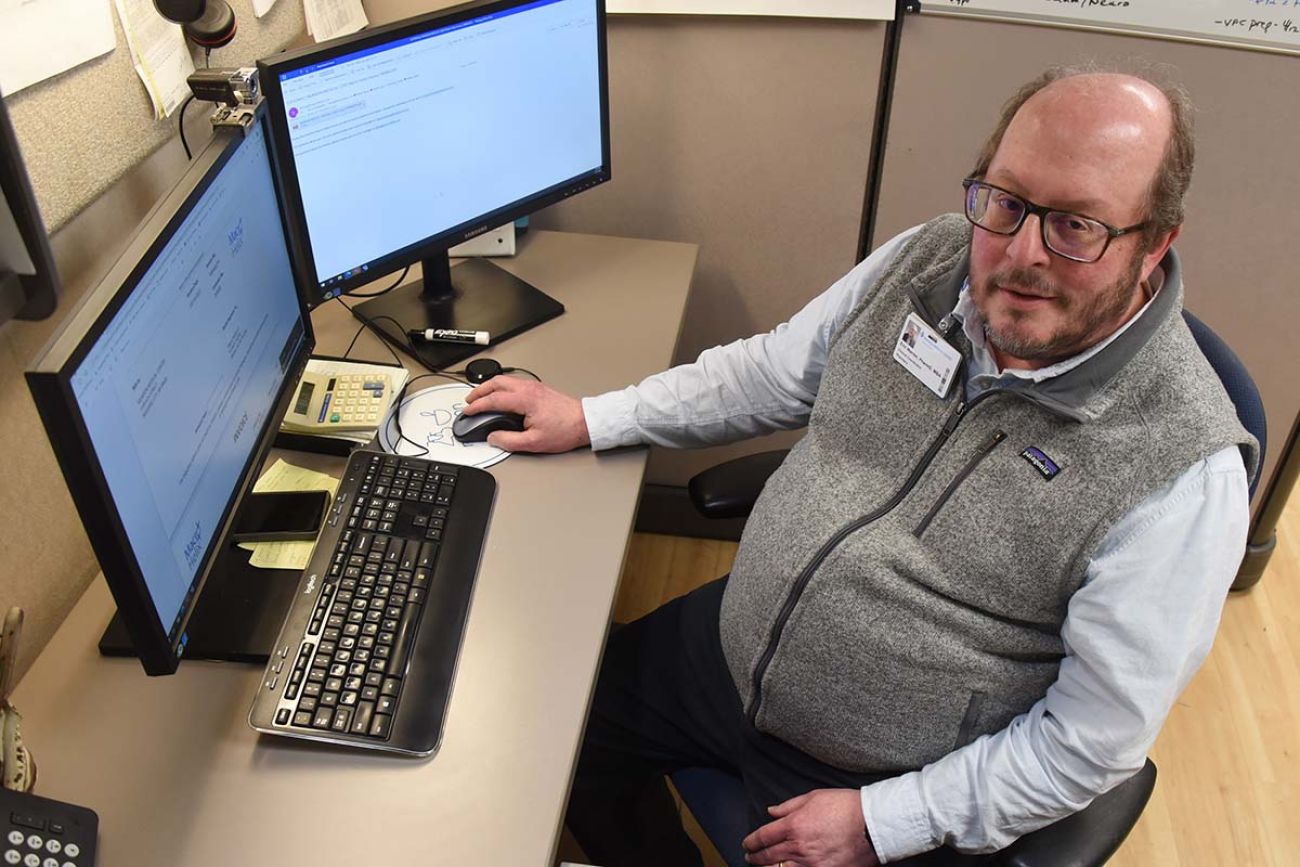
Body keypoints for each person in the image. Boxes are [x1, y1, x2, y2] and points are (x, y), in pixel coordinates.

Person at [462, 67, 1258, 866]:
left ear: (1155, 242)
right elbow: (774, 371)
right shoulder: (930, 259)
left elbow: (1089, 745)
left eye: (1077, 226)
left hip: (880, 771)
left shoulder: (1182, 472)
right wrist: (595, 416)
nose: (1020, 254)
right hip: (733, 650)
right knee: (564, 738)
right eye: (1007, 200)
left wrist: (885, 821)